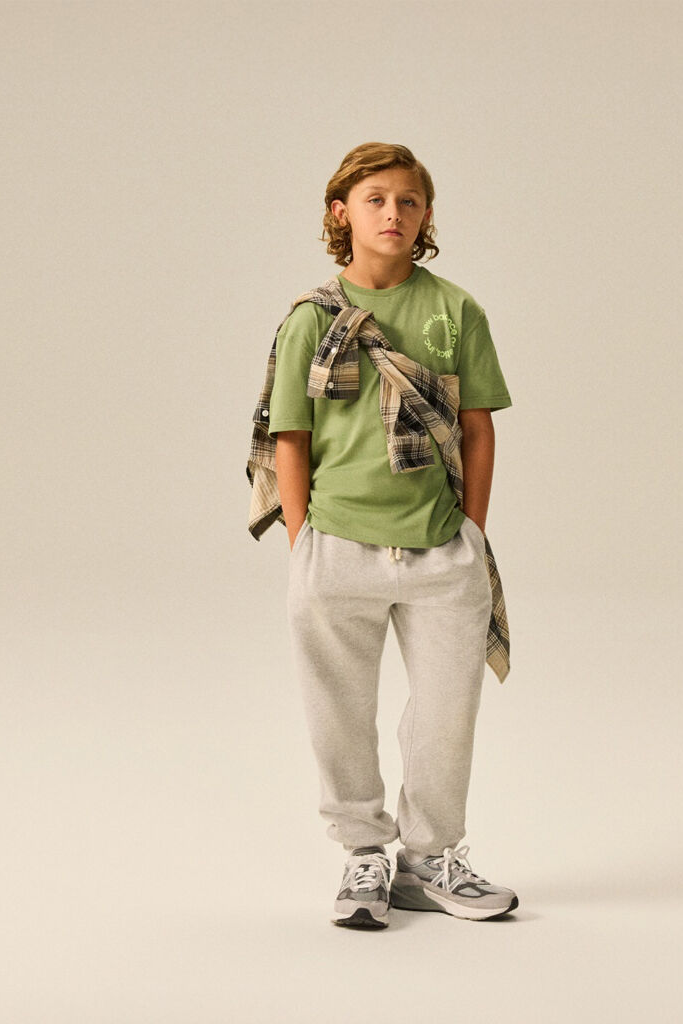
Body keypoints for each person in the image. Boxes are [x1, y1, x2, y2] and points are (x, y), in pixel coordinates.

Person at [246, 142, 518, 929]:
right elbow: (290, 436)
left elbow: (478, 428)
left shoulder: (456, 311)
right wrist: (303, 544)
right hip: (335, 546)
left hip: (439, 550)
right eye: (375, 200)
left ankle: (429, 860)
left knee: (445, 717)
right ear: (342, 212)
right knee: (338, 713)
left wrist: (471, 533)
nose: (392, 213)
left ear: (426, 215)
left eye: (408, 200)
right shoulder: (310, 318)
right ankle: (363, 854)